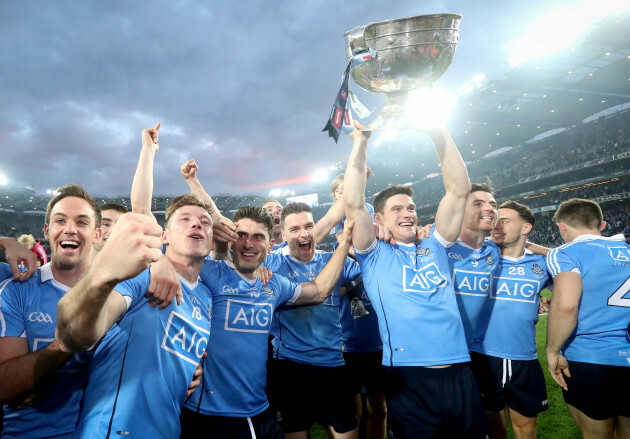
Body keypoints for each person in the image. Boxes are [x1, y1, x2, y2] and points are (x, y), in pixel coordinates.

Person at [343, 121, 488, 438]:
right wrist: (361, 141)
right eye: (397, 209)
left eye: (410, 206)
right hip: (408, 378)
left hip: (460, 370)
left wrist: (439, 133)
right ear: (379, 219)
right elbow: (353, 203)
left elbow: (460, 190)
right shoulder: (373, 254)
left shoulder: (436, 245)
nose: (407, 212)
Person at [181, 205, 355, 439]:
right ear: (232, 240)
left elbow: (319, 291)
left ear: (270, 245)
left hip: (259, 408)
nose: (248, 244)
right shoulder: (210, 273)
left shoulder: (275, 284)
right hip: (209, 411)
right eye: (241, 235)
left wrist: (343, 245)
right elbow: (173, 262)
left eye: (258, 237)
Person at [56, 195, 213, 439]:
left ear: (212, 243)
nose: (197, 224)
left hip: (169, 430)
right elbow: (75, 335)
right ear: (164, 237)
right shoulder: (143, 275)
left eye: (205, 222)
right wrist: (103, 274)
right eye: (185, 219)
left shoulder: (207, 296)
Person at [0, 184, 101, 438]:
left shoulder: (121, 293)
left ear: (97, 235)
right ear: (47, 231)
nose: (70, 229)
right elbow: (4, 386)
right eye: (60, 220)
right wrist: (65, 345)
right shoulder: (17, 288)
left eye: (82, 222)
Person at [265, 202, 362, 439]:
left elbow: (366, 272)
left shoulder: (336, 260)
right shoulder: (272, 264)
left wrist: (347, 286)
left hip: (333, 363)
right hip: (291, 367)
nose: (303, 233)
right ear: (284, 234)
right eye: (295, 228)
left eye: (308, 225)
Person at [546, 198, 630, 438]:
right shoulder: (626, 251)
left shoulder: (564, 253)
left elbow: (567, 305)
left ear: (562, 227)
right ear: (602, 225)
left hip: (590, 359)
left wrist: (552, 351)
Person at [470, 201, 552, 439]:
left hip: (523, 358)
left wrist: (543, 250)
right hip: (481, 355)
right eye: (495, 220)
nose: (496, 225)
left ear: (526, 227)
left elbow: (580, 285)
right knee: (491, 428)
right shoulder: (476, 255)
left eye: (505, 221)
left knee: (526, 431)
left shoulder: (544, 264)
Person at [447, 182, 501, 349]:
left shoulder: (495, 249)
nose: (490, 209)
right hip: (444, 351)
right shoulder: (435, 245)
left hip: (483, 352)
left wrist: (539, 249)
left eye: (493, 205)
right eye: (478, 204)